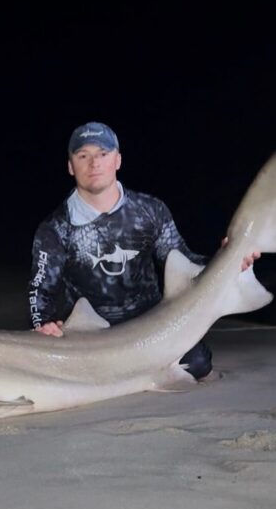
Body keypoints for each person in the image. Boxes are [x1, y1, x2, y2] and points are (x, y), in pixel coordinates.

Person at [28, 121, 259, 380]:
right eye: (83, 156)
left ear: (118, 160)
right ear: (71, 166)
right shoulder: (55, 228)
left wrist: (226, 258)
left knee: (198, 365)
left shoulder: (150, 211)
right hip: (89, 334)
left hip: (151, 323)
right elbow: (41, 290)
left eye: (103, 154)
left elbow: (182, 261)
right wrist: (42, 324)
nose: (94, 164)